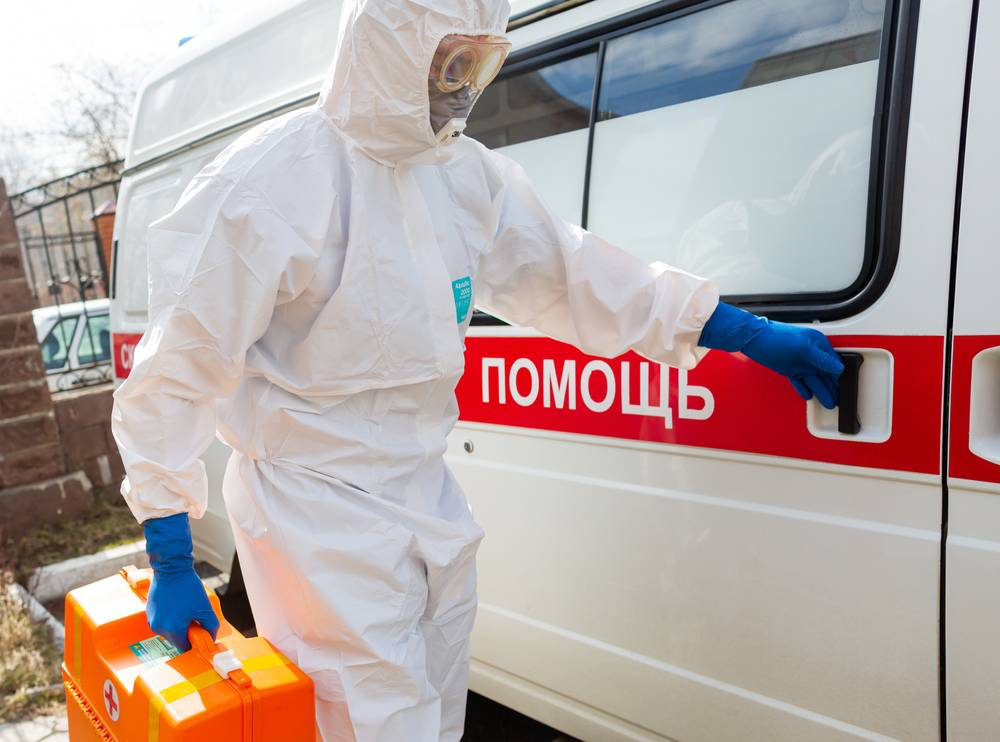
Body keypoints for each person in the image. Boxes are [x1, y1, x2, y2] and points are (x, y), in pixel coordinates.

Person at [111, 0, 843, 739]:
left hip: (427, 493)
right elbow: (177, 369)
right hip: (313, 515)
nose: (461, 88)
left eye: (477, 64)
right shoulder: (266, 182)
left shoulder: (461, 176)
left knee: (438, 713)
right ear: (388, 46)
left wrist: (732, 328)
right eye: (448, 61)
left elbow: (570, 271)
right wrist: (170, 550)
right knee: (370, 723)